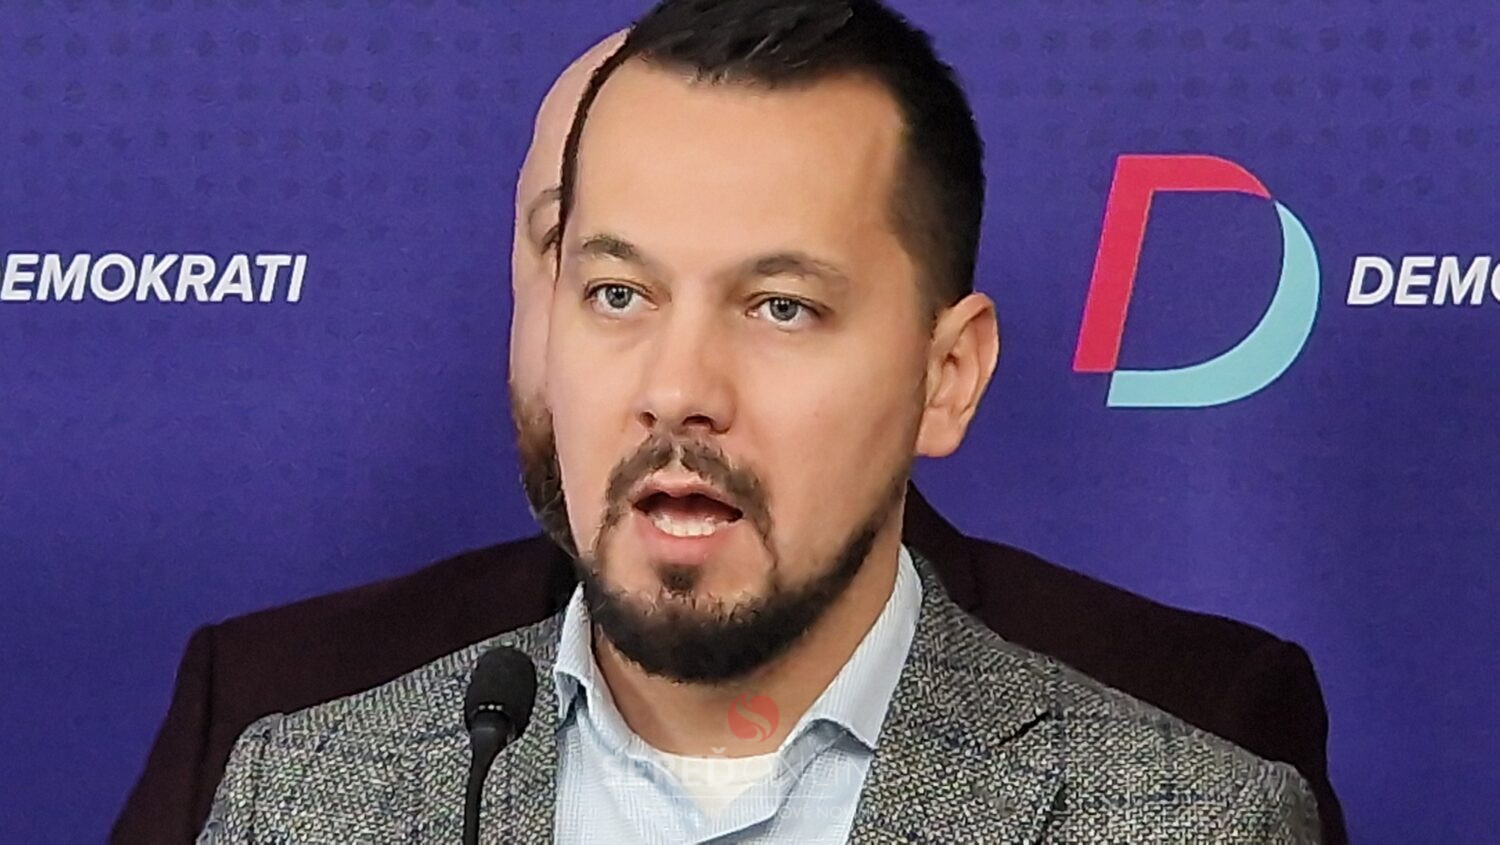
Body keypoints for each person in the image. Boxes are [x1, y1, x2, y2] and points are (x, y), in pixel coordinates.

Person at [113, 17, 1350, 845]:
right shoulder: (303, 791)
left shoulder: (1188, 816)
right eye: (618, 293)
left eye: (779, 306)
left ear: (947, 376)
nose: (676, 387)